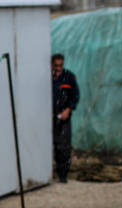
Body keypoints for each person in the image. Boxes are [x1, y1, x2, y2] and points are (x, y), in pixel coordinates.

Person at [51, 53, 79, 183]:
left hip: (63, 116)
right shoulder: (47, 77)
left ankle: (63, 175)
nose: (58, 68)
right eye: (56, 65)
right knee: (53, 145)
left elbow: (75, 96)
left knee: (64, 146)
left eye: (60, 65)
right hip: (49, 116)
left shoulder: (68, 77)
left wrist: (68, 109)